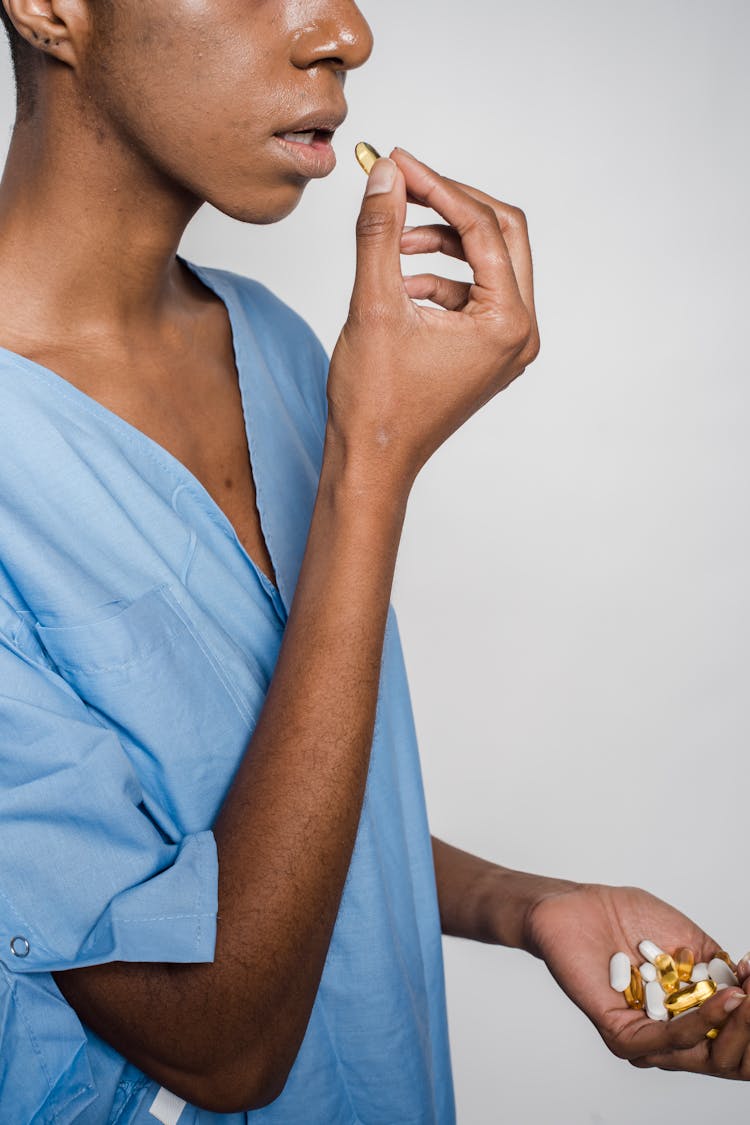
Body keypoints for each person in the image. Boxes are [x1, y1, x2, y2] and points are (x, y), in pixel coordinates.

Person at [0, 0, 748, 1121]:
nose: (344, 30)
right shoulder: (352, 413)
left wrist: (522, 905)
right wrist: (377, 462)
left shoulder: (281, 347)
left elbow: (237, 817)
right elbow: (215, 1043)